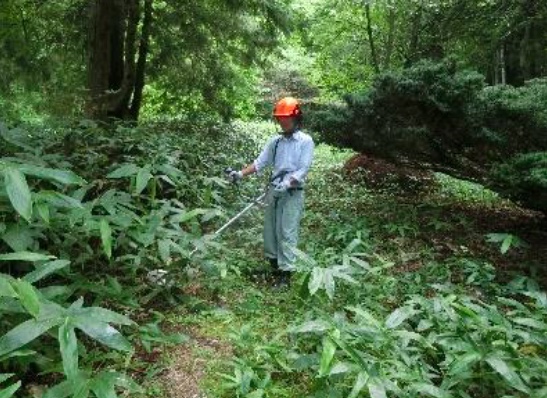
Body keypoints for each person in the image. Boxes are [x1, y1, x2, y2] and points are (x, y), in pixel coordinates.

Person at [228, 97, 315, 286]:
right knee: (270, 231)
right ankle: (274, 267)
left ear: (296, 118)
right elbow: (260, 163)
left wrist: (289, 182)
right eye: (280, 118)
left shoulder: (305, 141)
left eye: (286, 118)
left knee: (287, 231)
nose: (283, 122)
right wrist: (240, 174)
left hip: (292, 193)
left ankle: (286, 275)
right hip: (274, 191)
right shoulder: (275, 142)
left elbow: (303, 168)